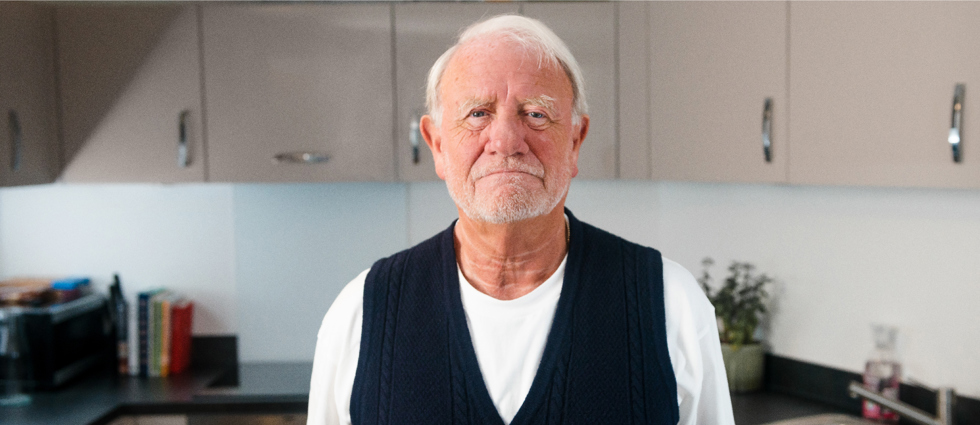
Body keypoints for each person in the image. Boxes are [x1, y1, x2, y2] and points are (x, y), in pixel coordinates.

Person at [308, 15, 734, 425]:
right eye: (478, 114)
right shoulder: (361, 313)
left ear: (575, 140)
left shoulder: (671, 304)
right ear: (437, 144)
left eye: (535, 114)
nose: (507, 142)